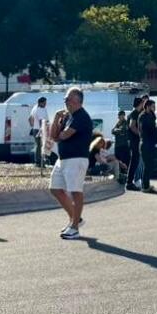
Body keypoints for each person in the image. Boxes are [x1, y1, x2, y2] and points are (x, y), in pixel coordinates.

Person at [48, 87, 94, 239]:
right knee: (54, 189)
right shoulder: (68, 117)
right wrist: (55, 119)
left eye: (67, 99)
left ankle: (74, 227)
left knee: (75, 191)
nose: (65, 102)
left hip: (77, 159)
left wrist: (59, 133)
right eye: (65, 100)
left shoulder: (81, 117)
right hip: (63, 159)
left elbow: (64, 135)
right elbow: (54, 136)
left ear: (76, 101)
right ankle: (76, 218)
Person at [138, 98, 157, 194]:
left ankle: (146, 185)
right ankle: (145, 186)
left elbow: (153, 127)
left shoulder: (151, 115)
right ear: (147, 106)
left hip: (151, 143)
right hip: (146, 144)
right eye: (153, 106)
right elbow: (147, 129)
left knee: (150, 165)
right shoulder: (143, 116)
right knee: (148, 166)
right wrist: (156, 128)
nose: (154, 108)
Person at [123, 96, 145, 191]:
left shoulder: (135, 113)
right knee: (134, 161)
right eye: (142, 103)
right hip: (134, 141)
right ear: (140, 104)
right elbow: (132, 126)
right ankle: (129, 182)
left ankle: (129, 182)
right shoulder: (135, 114)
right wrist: (140, 135)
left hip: (133, 141)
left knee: (135, 161)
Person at [111, 110, 133, 186]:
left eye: (123, 115)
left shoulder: (125, 123)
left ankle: (125, 178)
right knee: (118, 161)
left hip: (124, 146)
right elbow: (112, 131)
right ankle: (120, 177)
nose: (122, 117)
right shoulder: (118, 123)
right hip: (118, 146)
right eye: (120, 115)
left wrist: (117, 131)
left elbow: (123, 130)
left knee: (124, 162)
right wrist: (117, 130)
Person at [29, 96, 49, 168]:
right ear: (41, 103)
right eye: (44, 103)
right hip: (40, 129)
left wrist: (33, 126)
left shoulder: (35, 108)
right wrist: (41, 130)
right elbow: (41, 121)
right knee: (40, 146)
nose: (45, 104)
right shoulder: (40, 109)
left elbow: (30, 118)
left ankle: (38, 161)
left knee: (38, 145)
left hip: (35, 129)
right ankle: (39, 161)